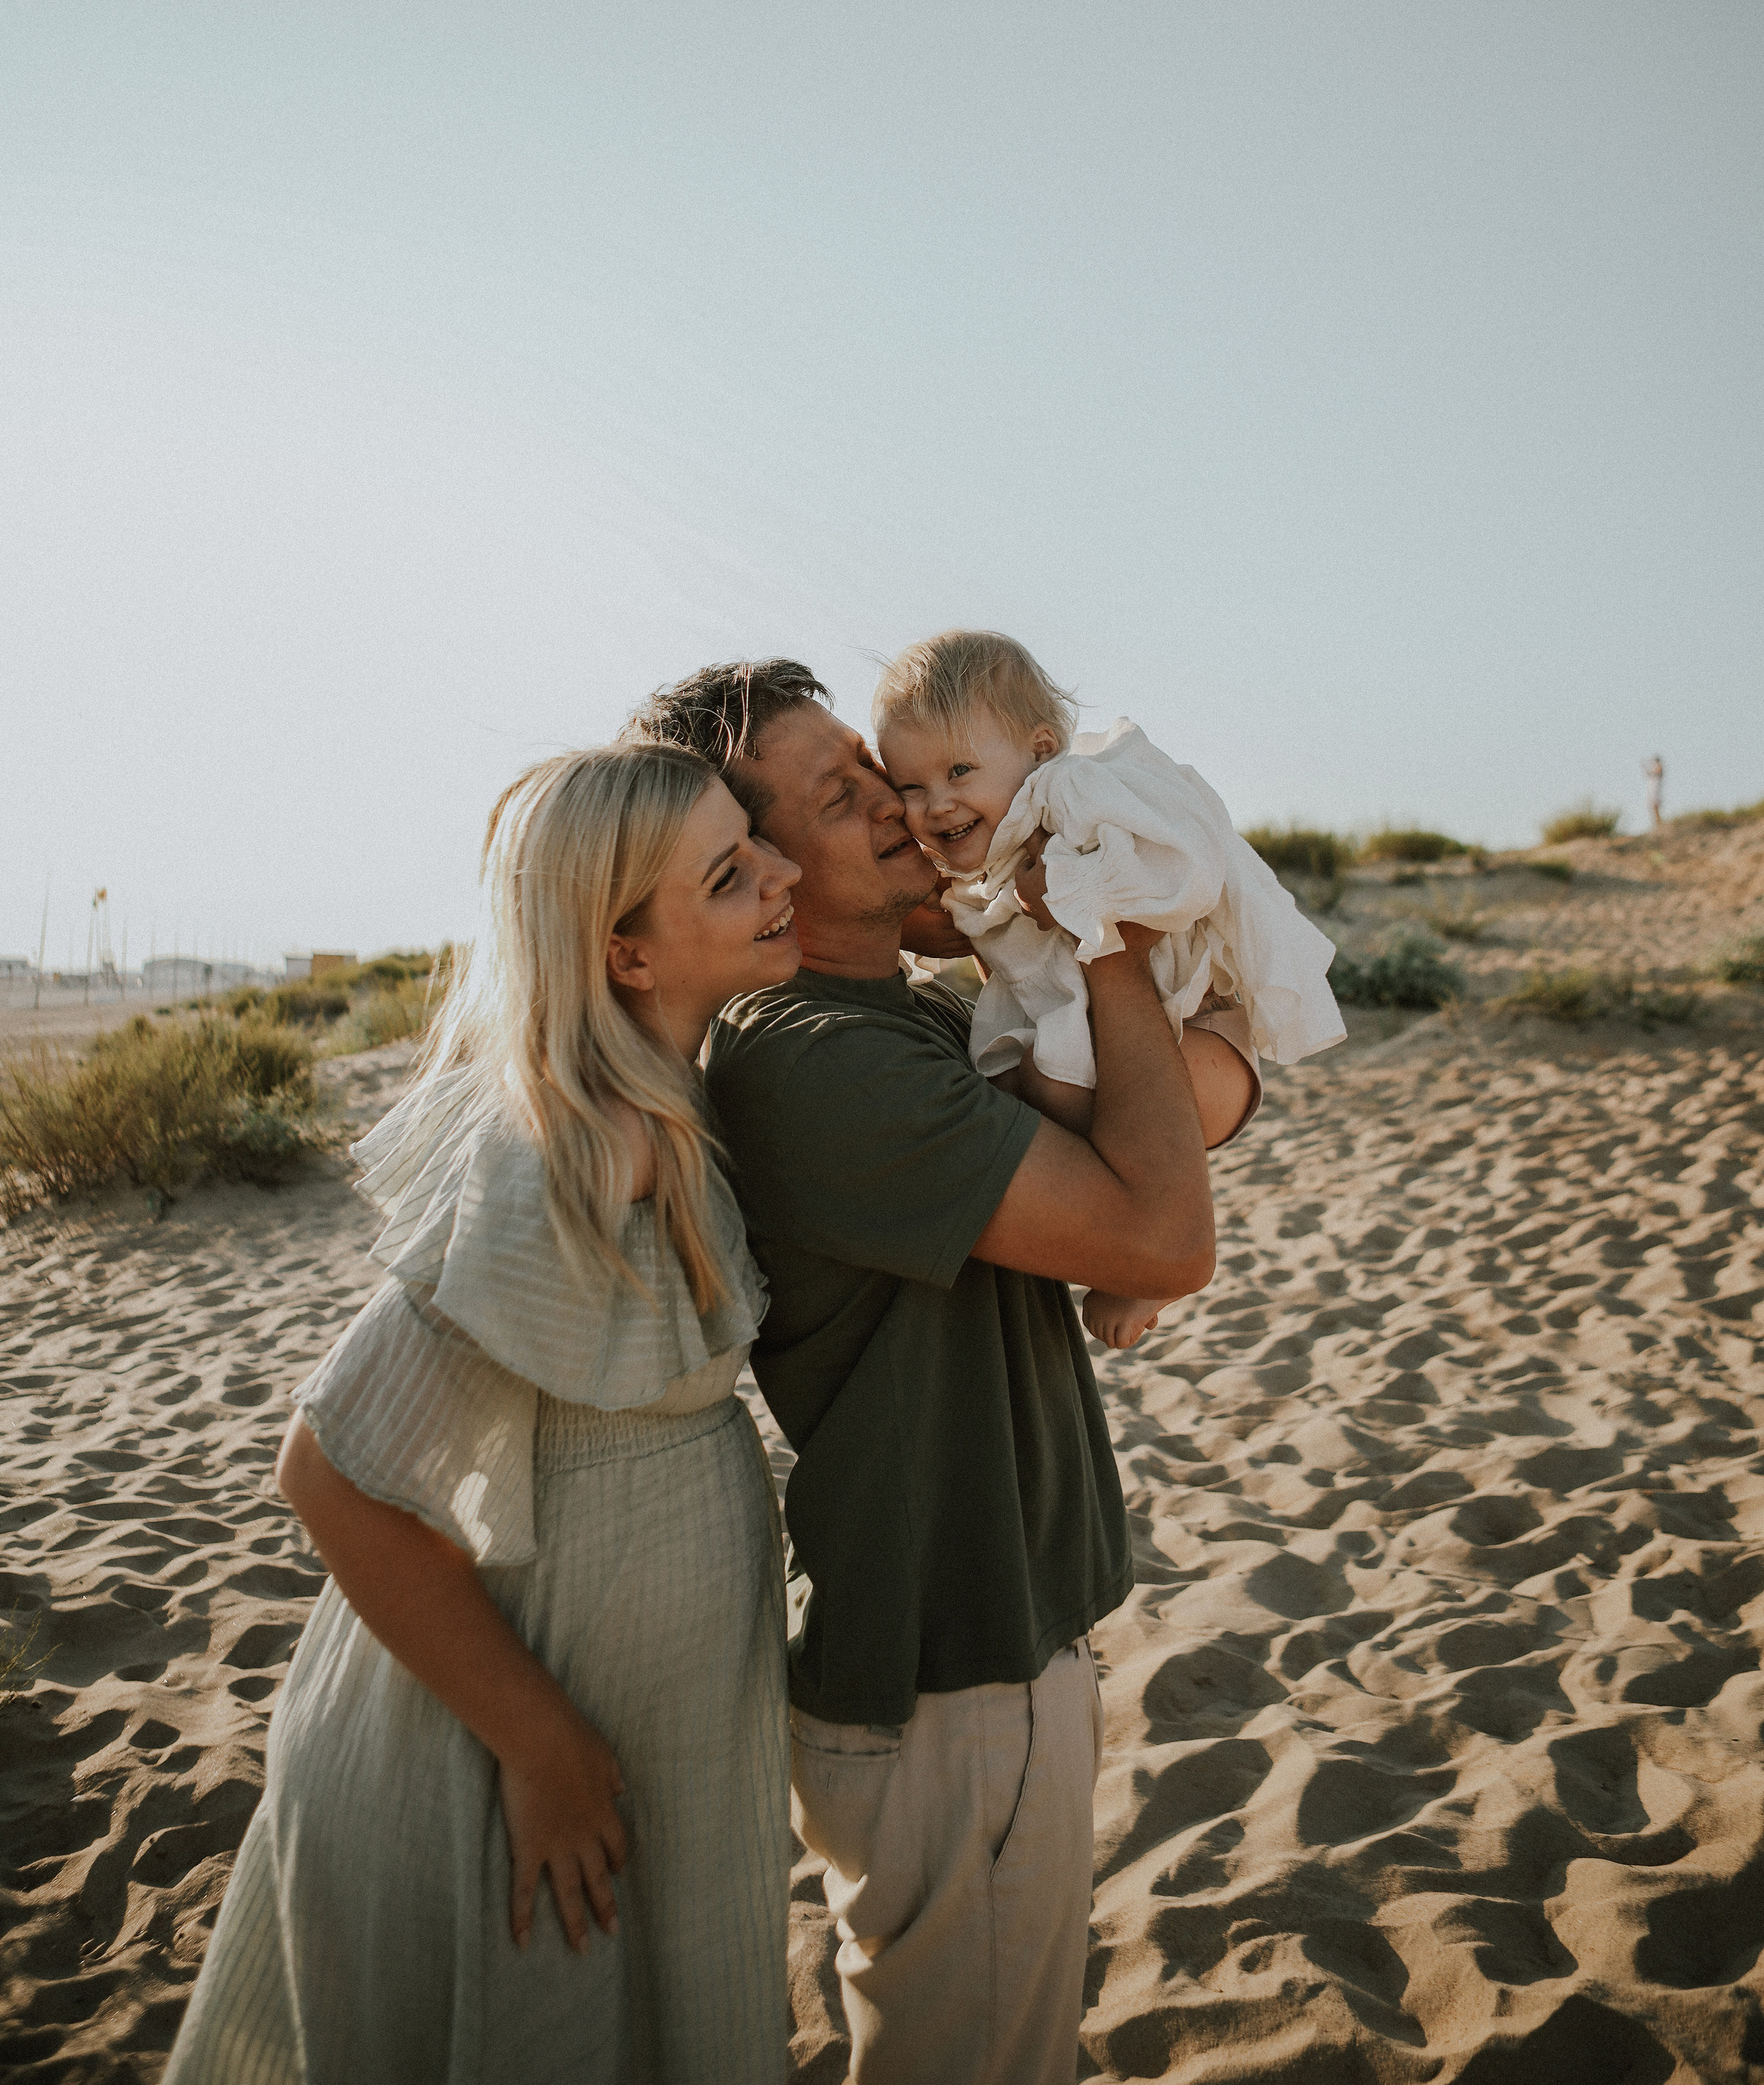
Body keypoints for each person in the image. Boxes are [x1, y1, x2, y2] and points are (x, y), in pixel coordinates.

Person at [622, 660, 1261, 2085]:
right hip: (945, 1682)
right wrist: (1092, 923)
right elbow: (1160, 1235)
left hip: (981, 1662)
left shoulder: (910, 1015)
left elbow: (1181, 1119)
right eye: (850, 796)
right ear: (757, 866)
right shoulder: (812, 1058)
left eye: (890, 772)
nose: (910, 809)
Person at [165, 743, 799, 2085]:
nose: (782, 875)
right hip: (495, 1750)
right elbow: (329, 1472)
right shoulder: (578, 1149)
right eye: (732, 873)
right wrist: (542, 1746)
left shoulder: (664, 1103)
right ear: (626, 955)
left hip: (614, 1727)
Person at [874, 627, 1342, 1346]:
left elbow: (1185, 864)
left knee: (1051, 1090)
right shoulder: (993, 855)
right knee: (1006, 1095)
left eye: (959, 770)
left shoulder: (1079, 794)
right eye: (911, 786)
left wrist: (1079, 891)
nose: (936, 804)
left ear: (1037, 751)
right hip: (1143, 1066)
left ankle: (1146, 1261)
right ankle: (1124, 1233)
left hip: (1200, 1051)